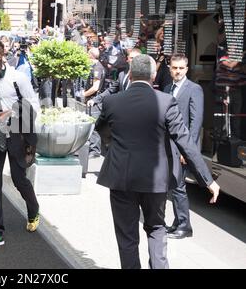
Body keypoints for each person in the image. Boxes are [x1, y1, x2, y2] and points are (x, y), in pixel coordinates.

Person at [94, 54, 220, 269]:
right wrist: (207, 180)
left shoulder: (112, 101)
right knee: (156, 228)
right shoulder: (166, 102)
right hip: (155, 179)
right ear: (153, 76)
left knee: (126, 235)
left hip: (121, 177)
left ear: (130, 75)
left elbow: (102, 131)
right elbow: (185, 141)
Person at [0, 40, 40, 249]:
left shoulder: (18, 78)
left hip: (16, 133)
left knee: (18, 179)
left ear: (0, 55)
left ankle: (33, 209)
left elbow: (34, 105)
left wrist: (12, 114)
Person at [164, 54, 204, 239]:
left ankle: (185, 226)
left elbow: (195, 123)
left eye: (181, 68)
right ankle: (177, 222)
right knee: (173, 185)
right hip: (167, 147)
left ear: (186, 69)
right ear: (170, 68)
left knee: (179, 187)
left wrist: (188, 151)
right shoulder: (167, 88)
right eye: (174, 68)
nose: (177, 71)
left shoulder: (194, 89)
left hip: (182, 147)